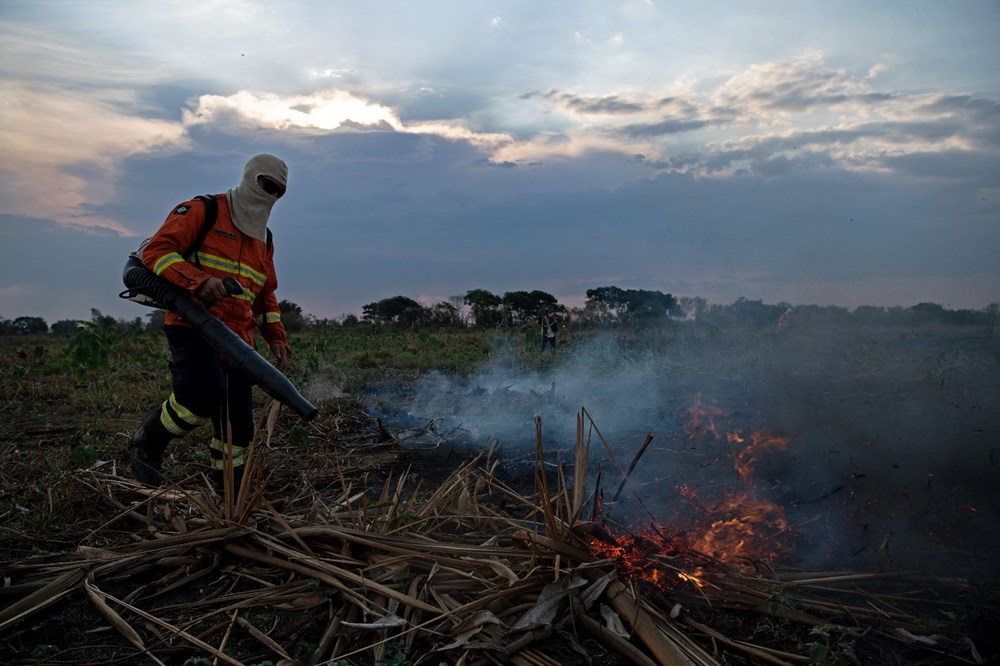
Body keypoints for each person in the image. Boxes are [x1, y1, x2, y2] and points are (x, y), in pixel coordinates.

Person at [130, 154, 292, 492]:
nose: (272, 194)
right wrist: (197, 281)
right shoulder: (203, 211)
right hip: (192, 325)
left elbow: (265, 295)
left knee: (239, 427)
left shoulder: (265, 239)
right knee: (200, 396)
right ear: (251, 178)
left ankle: (227, 488)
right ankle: (148, 443)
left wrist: (276, 336)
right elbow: (156, 252)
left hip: (238, 342)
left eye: (280, 191)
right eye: (268, 185)